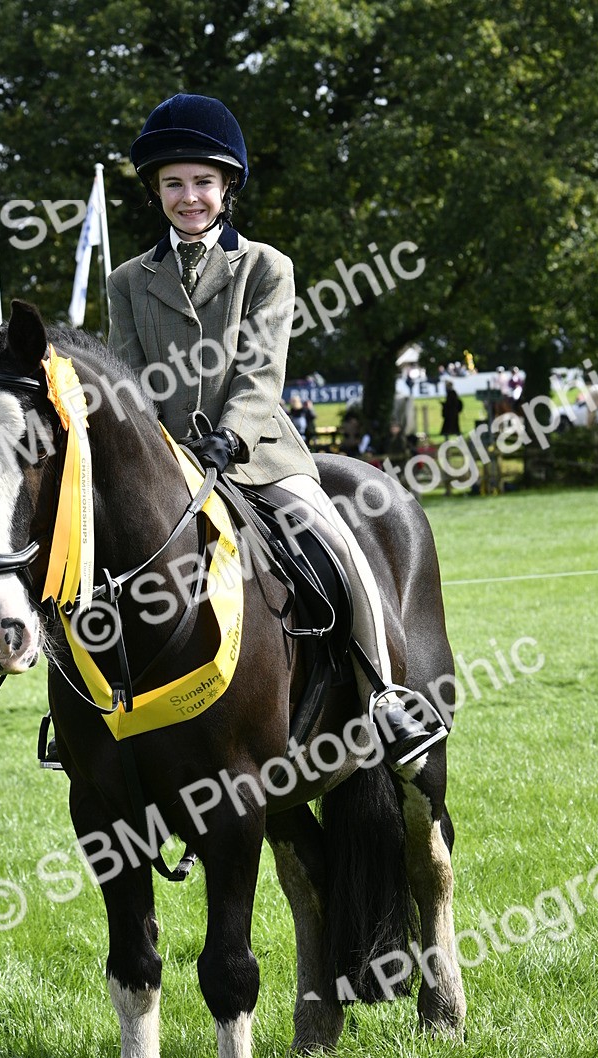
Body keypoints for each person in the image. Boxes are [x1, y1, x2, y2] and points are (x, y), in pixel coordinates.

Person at [104, 93, 445, 767]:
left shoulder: (267, 267)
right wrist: (156, 449)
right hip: (168, 464)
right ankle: (100, 710)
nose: (189, 196)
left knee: (338, 545)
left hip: (257, 455)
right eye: (174, 183)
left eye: (202, 181)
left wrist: (228, 437)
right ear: (157, 192)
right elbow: (126, 377)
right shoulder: (126, 281)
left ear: (227, 187)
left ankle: (382, 695)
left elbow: (261, 370)